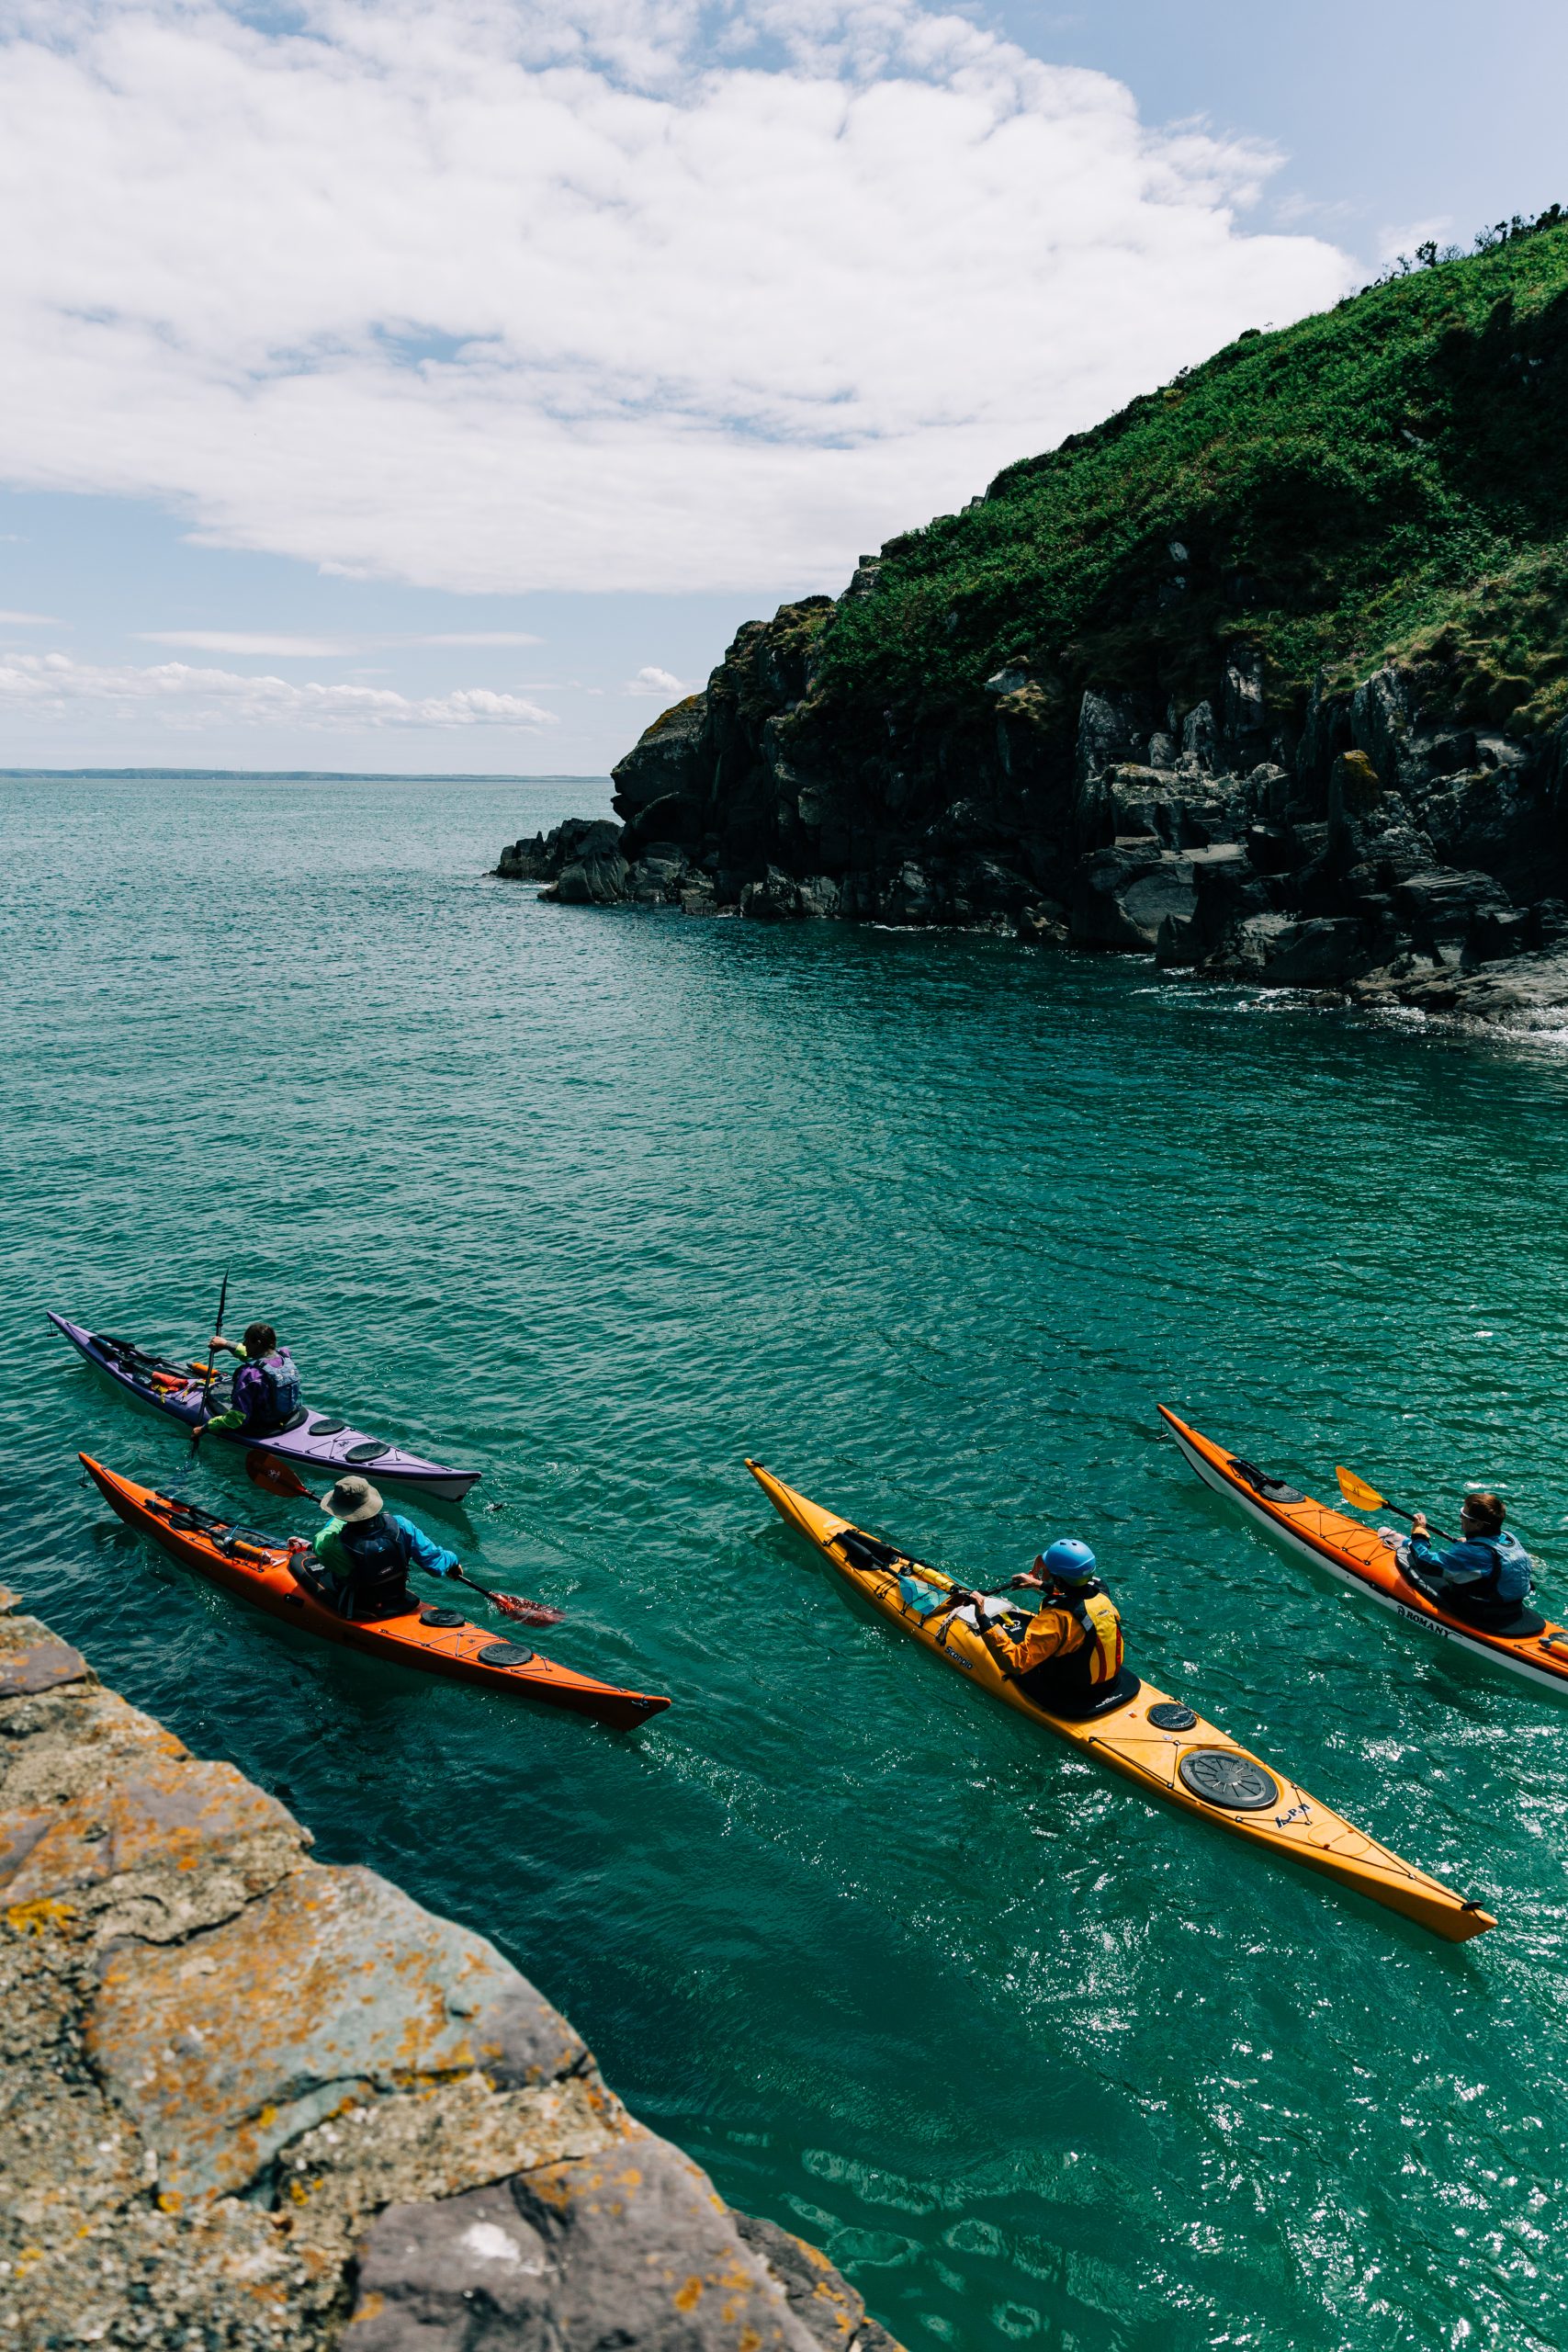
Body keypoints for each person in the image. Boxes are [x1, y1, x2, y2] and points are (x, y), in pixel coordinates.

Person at [952, 1538, 1127, 1714]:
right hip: (1110, 1683)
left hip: (1073, 1693)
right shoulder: (1101, 1592)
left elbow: (1015, 1662)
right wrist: (1039, 1584)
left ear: (1059, 1579)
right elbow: (1075, 1595)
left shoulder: (1057, 1618)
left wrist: (982, 1616)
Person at [307, 1474, 464, 1620]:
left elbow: (322, 1538)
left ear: (339, 1511)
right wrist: (453, 1562)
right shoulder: (401, 1525)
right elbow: (435, 1565)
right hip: (397, 1596)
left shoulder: (328, 1546)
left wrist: (340, 1518)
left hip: (361, 1605)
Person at [1401, 1491, 1534, 1627]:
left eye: (1464, 1515)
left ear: (1478, 1524)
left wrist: (1419, 1535)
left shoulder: (1474, 1553)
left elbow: (1424, 1562)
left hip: (1484, 1611)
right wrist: (1471, 1542)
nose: (1460, 1517)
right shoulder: (1509, 1538)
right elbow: (1491, 1555)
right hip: (1513, 1606)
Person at [196, 1322, 302, 1440]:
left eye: (247, 1341)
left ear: (258, 1343)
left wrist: (204, 1428)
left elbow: (236, 1419)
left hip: (263, 1424)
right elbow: (259, 1360)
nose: (243, 1344)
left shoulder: (249, 1374)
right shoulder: (285, 1356)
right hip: (289, 1414)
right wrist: (226, 1344)